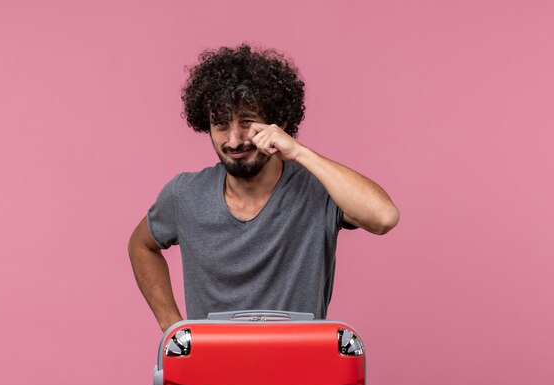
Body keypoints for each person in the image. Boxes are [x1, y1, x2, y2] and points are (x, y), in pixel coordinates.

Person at [128, 44, 399, 332]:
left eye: (247, 122)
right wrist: (171, 325)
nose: (233, 140)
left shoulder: (317, 189)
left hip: (301, 369)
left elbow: (384, 217)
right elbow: (141, 245)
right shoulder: (185, 195)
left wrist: (298, 152)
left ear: (278, 123)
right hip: (210, 372)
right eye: (220, 124)